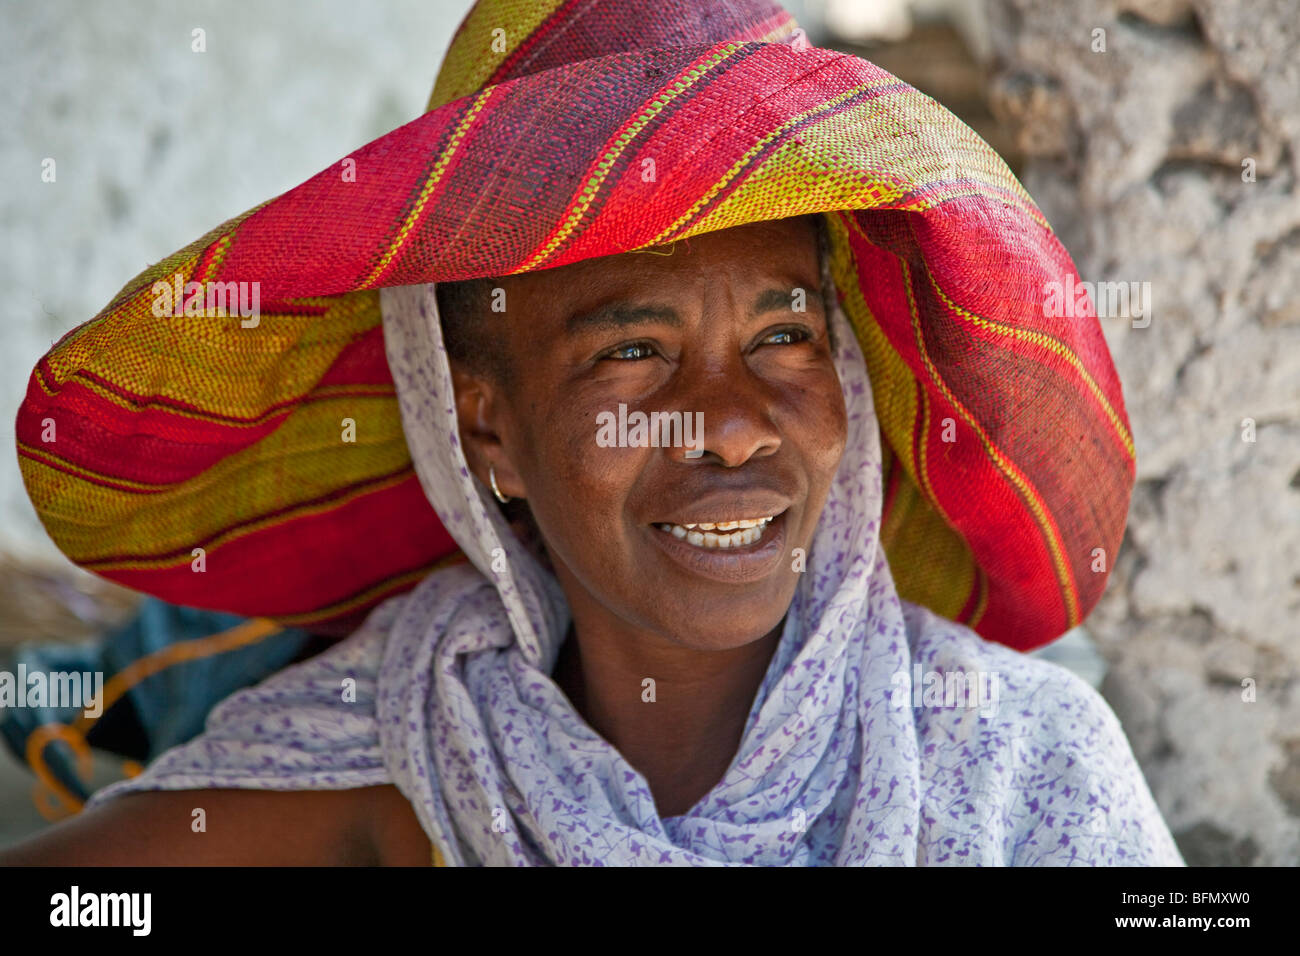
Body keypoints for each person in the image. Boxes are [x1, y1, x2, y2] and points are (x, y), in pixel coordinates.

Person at [3, 0, 1183, 865]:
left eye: (783, 333)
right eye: (632, 350)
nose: (729, 428)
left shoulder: (1016, 766)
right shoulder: (413, 725)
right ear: (487, 429)